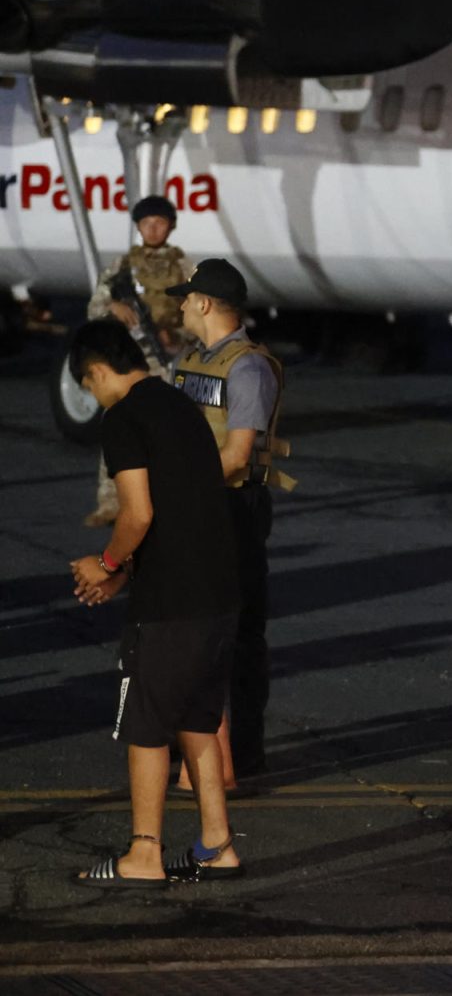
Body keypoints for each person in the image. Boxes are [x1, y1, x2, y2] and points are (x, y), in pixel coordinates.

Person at [65, 319, 244, 888]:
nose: (94, 397)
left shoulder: (124, 418)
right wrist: (123, 573)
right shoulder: (178, 404)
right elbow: (183, 507)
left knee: (145, 724)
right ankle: (217, 844)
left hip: (168, 605)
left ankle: (144, 853)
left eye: (89, 386)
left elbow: (138, 513)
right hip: (218, 593)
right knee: (196, 717)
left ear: (95, 371)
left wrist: (108, 565)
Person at [168, 259, 293, 784]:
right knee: (193, 634)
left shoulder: (247, 368)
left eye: (185, 297)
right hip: (200, 505)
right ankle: (198, 757)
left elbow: (239, 454)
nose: (178, 305)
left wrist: (180, 488)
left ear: (203, 303)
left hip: (232, 508)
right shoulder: (191, 359)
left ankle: (238, 758)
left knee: (237, 636)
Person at [83, 194, 194, 527]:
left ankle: (162, 502)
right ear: (138, 227)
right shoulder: (123, 266)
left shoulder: (184, 266)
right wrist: (112, 306)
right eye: (147, 223)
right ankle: (110, 502)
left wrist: (178, 337)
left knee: (166, 434)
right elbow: (94, 307)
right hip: (126, 362)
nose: (154, 228)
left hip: (168, 361)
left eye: (160, 222)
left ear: (171, 226)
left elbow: (202, 313)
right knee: (117, 427)